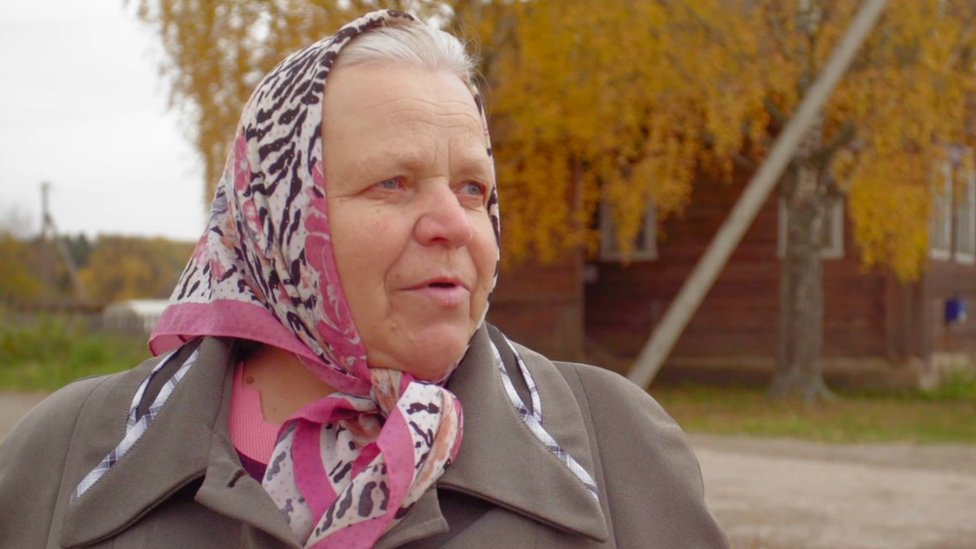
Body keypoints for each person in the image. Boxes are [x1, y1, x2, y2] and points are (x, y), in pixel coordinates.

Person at [0, 10, 727, 548]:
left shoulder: (615, 447)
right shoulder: (62, 458)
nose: (453, 223)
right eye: (393, 183)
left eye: (474, 189)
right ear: (277, 222)